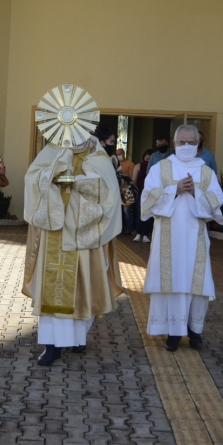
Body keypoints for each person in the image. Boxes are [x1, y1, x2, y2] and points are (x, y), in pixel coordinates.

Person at [23, 136, 125, 366]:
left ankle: (78, 338)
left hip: (85, 234)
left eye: (82, 132)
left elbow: (106, 193)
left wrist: (70, 180)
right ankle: (52, 345)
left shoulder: (98, 159)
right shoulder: (52, 152)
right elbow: (33, 180)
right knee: (53, 287)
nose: (77, 138)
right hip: (55, 233)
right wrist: (57, 166)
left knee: (82, 285)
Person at [141, 125, 223, 352]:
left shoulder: (206, 171)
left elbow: (217, 202)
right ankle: (174, 332)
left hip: (195, 237)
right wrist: (174, 190)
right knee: (173, 284)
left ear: (198, 145)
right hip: (167, 238)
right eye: (182, 142)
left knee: (195, 285)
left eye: (191, 142)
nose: (186, 146)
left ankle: (195, 331)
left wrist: (197, 192)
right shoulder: (160, 168)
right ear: (174, 143)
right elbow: (147, 199)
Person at [132, 149, 153, 243]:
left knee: (149, 213)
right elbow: (134, 180)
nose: (147, 158)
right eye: (146, 156)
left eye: (150, 157)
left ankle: (145, 235)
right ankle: (138, 234)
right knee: (139, 213)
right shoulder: (138, 166)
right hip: (140, 191)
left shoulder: (154, 167)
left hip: (151, 192)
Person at [117, 148, 135, 235]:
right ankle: (119, 228)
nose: (118, 156)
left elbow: (132, 178)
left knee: (127, 211)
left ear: (124, 154)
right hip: (117, 190)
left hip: (126, 190)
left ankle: (129, 228)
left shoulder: (130, 164)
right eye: (117, 154)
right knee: (118, 211)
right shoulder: (116, 164)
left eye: (120, 154)